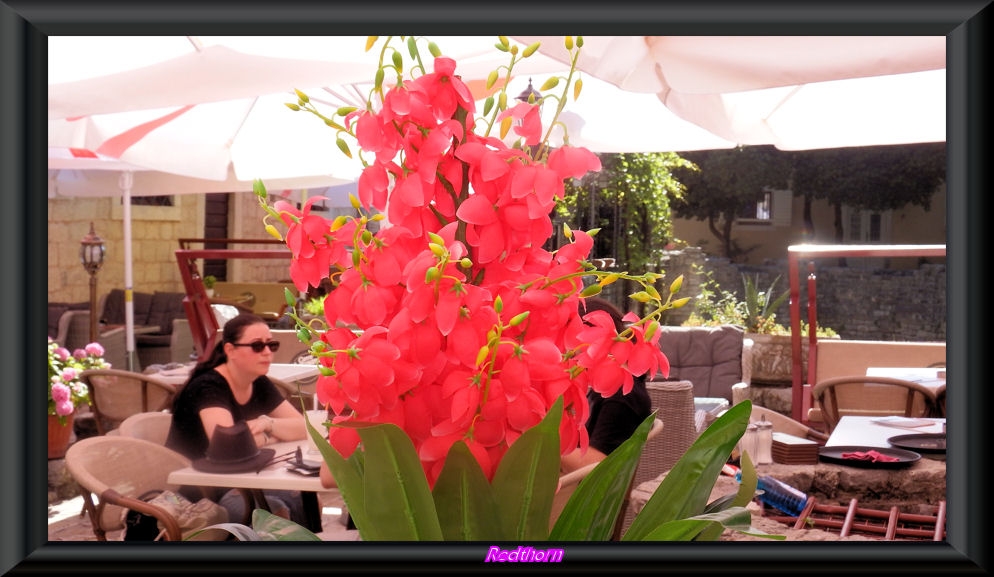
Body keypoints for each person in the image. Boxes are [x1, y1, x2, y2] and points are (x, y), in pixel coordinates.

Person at [165, 312, 308, 524]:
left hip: (242, 478)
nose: (267, 353)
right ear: (230, 350)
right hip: (198, 492)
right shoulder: (208, 387)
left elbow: (304, 428)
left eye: (272, 345)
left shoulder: (257, 381)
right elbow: (229, 445)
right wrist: (274, 435)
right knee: (276, 508)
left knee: (302, 496)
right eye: (257, 346)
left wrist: (267, 424)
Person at [560, 297, 652, 473]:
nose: (564, 350)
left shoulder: (624, 395)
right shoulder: (606, 386)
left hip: (586, 496)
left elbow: (600, 464)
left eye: (569, 336)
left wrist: (536, 443)